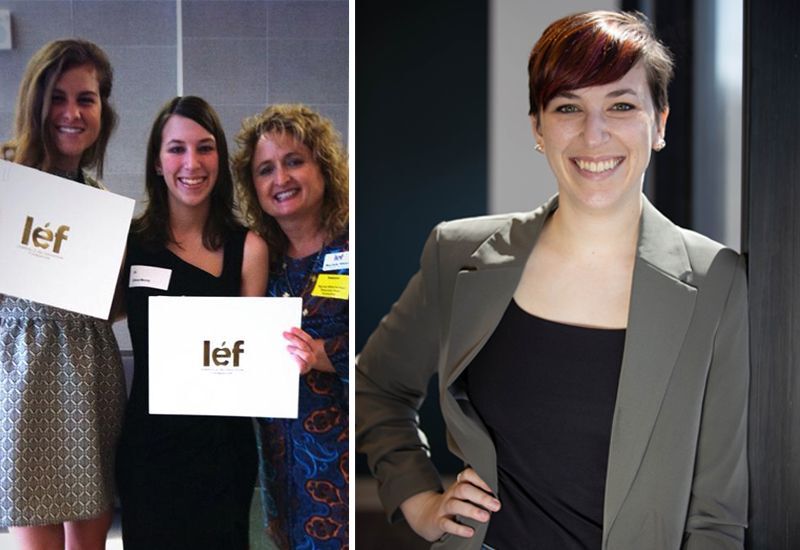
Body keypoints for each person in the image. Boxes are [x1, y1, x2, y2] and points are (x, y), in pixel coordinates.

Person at [356, 11, 748, 550]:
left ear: (659, 123)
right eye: (568, 107)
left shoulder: (718, 281)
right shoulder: (458, 254)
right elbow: (374, 385)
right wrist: (418, 500)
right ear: (538, 127)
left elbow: (717, 519)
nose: (594, 133)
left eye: (621, 105)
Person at [115, 95, 268, 549]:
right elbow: (94, 312)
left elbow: (252, 355)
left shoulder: (249, 248)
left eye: (204, 147)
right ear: (157, 163)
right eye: (176, 149)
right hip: (148, 446)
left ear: (219, 158)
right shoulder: (130, 243)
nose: (192, 163)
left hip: (223, 450)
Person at [0, 39, 126, 549]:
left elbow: (112, 304)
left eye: (86, 99)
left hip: (92, 372)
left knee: (90, 543)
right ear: (36, 101)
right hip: (27, 375)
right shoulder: (8, 182)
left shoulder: (98, 200)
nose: (72, 113)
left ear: (103, 110)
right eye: (58, 97)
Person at [233, 104, 349, 549]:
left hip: (346, 459)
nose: (280, 179)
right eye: (265, 169)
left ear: (323, 166)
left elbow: (390, 348)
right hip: (280, 462)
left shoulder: (357, 244)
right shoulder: (260, 257)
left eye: (294, 161)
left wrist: (322, 355)